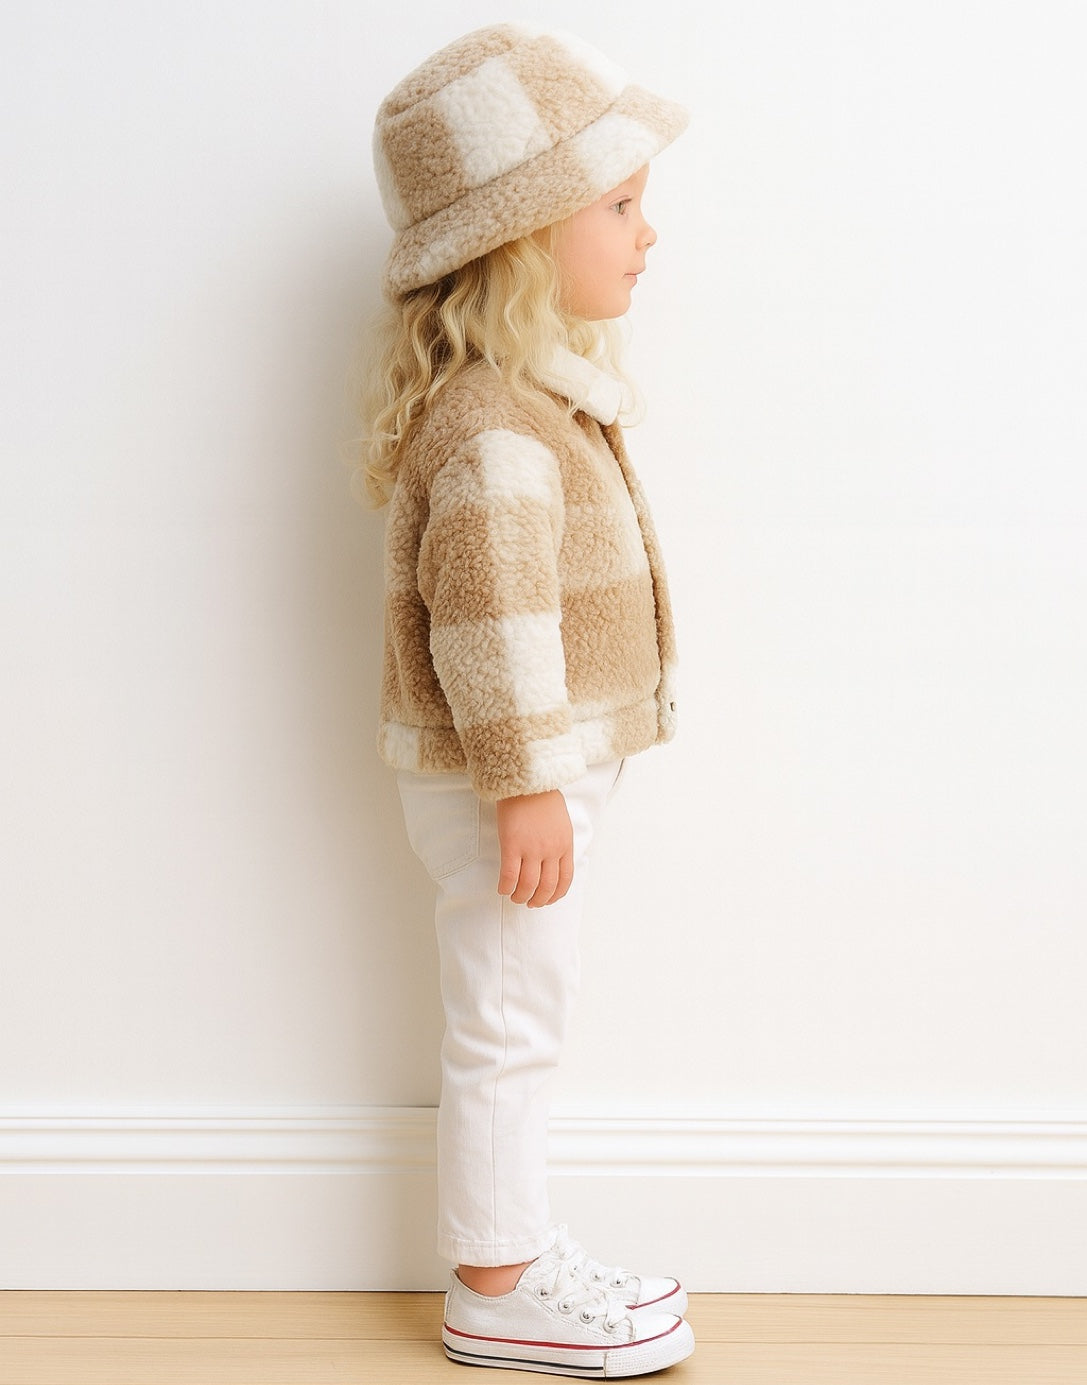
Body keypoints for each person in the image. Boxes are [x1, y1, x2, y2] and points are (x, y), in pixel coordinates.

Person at [361, 23, 694, 1378]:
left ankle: (510, 1254)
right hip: (511, 781)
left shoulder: (531, 402)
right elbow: (492, 624)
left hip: (531, 778)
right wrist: (526, 784)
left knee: (520, 1005)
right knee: (507, 1016)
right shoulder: (497, 426)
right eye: (618, 204)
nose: (647, 232)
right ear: (521, 236)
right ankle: (496, 1285)